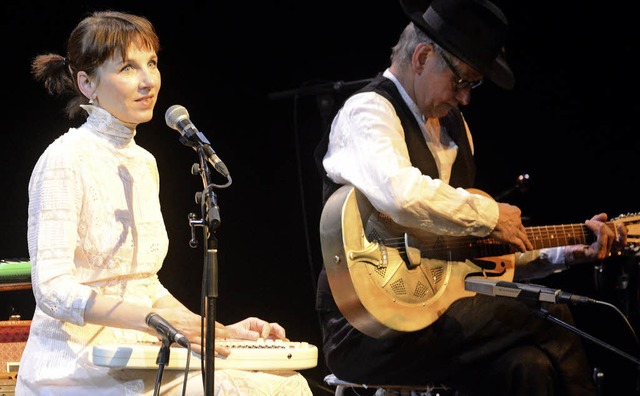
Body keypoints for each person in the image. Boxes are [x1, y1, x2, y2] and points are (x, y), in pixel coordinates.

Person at [314, 0, 628, 395]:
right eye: (461, 81)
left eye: (471, 85)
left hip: (441, 320)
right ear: (423, 57)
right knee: (549, 314)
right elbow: (400, 194)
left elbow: (475, 260)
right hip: (369, 331)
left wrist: (567, 251)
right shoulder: (368, 113)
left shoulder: (454, 129)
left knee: (528, 366)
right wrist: (489, 213)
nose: (465, 98)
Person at [16, 10, 311, 396]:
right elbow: (52, 290)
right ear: (87, 83)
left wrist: (216, 331)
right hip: (77, 366)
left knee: (286, 384)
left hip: (140, 349)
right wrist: (153, 321)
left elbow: (144, 285)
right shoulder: (64, 159)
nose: (147, 81)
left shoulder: (144, 163)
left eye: (151, 64)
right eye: (127, 68)